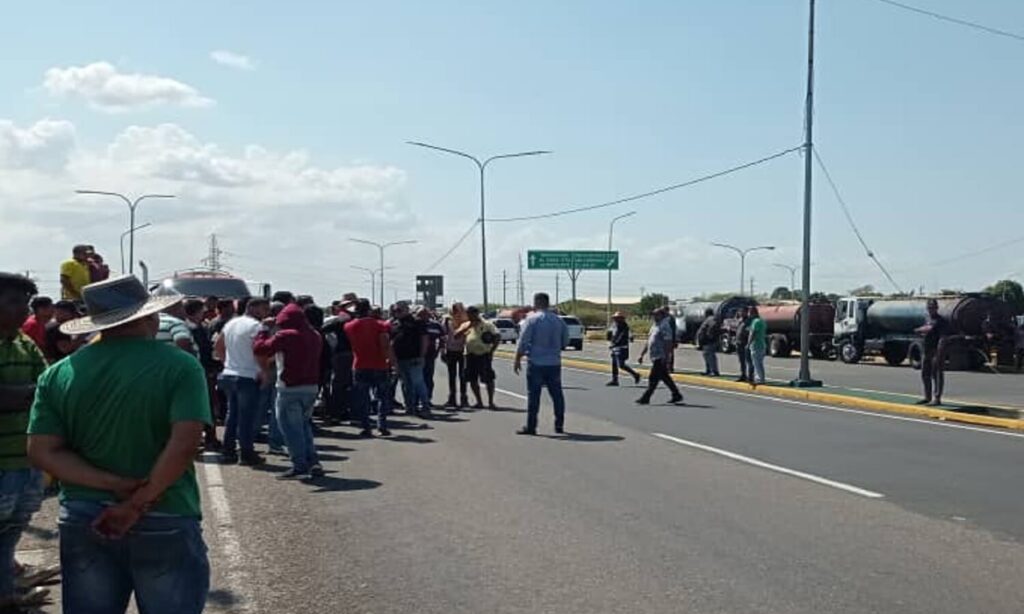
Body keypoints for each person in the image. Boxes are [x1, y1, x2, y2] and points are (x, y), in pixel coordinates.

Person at [27, 275, 211, 614]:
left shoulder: (59, 373)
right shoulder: (180, 366)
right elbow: (184, 444)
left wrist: (113, 485)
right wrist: (137, 501)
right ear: (148, 317)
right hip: (165, 509)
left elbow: (42, 451)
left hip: (84, 513)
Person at [0, 274, 51, 611]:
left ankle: (7, 582)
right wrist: (31, 394)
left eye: (26, 303)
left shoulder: (23, 342)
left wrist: (28, 395)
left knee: (13, 526)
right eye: (14, 302)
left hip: (26, 458)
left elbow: (47, 385)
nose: (23, 310)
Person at [254, 304, 324, 479]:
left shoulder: (286, 335)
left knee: (291, 429)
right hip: (311, 386)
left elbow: (260, 348)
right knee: (303, 425)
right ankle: (313, 460)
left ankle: (299, 466)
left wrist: (263, 329)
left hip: (289, 388)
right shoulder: (315, 335)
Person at [214, 298, 270, 466]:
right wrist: (264, 371)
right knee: (247, 417)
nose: (266, 312)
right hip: (247, 375)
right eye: (264, 308)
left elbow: (218, 345)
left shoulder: (231, 323)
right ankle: (246, 453)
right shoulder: (256, 327)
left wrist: (227, 362)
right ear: (254, 308)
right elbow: (260, 351)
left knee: (233, 414)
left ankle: (228, 450)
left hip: (229, 373)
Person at [514, 293, 570, 435]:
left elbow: (524, 340)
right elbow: (565, 341)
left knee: (534, 395)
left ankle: (531, 426)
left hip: (536, 362)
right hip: (554, 363)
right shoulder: (559, 321)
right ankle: (559, 425)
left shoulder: (532, 319)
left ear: (537, 302)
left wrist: (517, 358)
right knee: (557, 395)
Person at [345, 299, 393, 437]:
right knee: (382, 397)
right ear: (369, 310)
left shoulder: (349, 326)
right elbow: (385, 345)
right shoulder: (380, 325)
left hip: (360, 364)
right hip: (379, 364)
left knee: (362, 398)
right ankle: (382, 425)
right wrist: (391, 361)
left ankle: (366, 427)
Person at [185, 299, 221, 451]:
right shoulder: (192, 329)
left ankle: (206, 438)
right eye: (201, 311)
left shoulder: (197, 327)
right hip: (203, 370)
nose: (204, 313)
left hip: (202, 370)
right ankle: (209, 439)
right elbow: (203, 351)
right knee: (207, 406)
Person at [390, 303, 432, 417]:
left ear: (407, 310)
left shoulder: (417, 322)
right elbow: (391, 342)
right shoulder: (395, 324)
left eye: (400, 310)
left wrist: (422, 356)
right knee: (406, 384)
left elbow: (424, 339)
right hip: (400, 359)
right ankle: (410, 407)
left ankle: (425, 407)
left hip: (414, 358)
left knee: (418, 383)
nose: (397, 313)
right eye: (396, 311)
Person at [637, 309, 684, 405]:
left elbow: (668, 342)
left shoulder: (665, 326)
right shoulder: (654, 326)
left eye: (656, 315)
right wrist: (642, 354)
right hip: (654, 355)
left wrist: (667, 357)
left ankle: (646, 397)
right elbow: (649, 341)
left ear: (662, 315)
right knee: (665, 377)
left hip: (661, 355)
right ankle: (676, 394)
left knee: (653, 377)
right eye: (653, 315)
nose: (654, 317)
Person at [321, 297, 355, 424]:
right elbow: (325, 328)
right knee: (345, 384)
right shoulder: (344, 320)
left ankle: (337, 412)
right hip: (348, 353)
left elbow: (324, 328)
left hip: (345, 353)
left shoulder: (343, 320)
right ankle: (342, 411)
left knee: (341, 384)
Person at [460, 306, 500, 409]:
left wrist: (492, 350)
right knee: (472, 379)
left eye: (472, 313)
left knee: (488, 379)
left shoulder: (487, 325)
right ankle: (479, 402)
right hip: (470, 355)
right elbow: (457, 335)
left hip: (484, 355)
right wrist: (465, 328)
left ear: (477, 313)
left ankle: (491, 402)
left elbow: (497, 336)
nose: (470, 316)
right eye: (468, 314)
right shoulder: (466, 325)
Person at [915, 298, 949, 406]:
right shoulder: (927, 319)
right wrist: (919, 331)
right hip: (926, 349)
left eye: (933, 307)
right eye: (929, 307)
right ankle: (927, 396)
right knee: (925, 373)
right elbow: (925, 330)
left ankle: (937, 398)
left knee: (937, 374)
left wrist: (939, 351)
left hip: (936, 350)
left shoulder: (941, 321)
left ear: (937, 308)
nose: (931, 309)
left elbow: (943, 337)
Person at [442, 302, 469, 409]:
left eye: (458, 310)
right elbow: (443, 337)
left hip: (463, 352)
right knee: (452, 376)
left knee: (463, 376)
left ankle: (463, 398)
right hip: (451, 350)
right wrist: (442, 351)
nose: (456, 312)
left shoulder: (466, 322)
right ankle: (452, 398)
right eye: (454, 310)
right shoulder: (447, 321)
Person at [607, 311, 640, 386]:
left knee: (621, 364)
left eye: (618, 318)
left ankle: (635, 374)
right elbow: (609, 334)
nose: (616, 319)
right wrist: (610, 342)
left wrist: (615, 344)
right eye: (615, 318)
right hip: (614, 347)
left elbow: (622, 336)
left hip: (622, 347)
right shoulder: (613, 325)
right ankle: (615, 380)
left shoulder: (624, 326)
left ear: (621, 319)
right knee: (614, 364)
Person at [420, 309, 445, 406]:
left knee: (428, 378)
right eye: (421, 314)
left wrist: (439, 351)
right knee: (418, 379)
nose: (424, 316)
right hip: (416, 355)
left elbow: (442, 338)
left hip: (430, 355)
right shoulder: (416, 324)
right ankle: (417, 399)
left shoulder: (435, 325)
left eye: (426, 314)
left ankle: (427, 398)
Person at [696, 308, 721, 376]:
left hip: (709, 341)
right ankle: (708, 370)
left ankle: (714, 371)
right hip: (706, 341)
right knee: (706, 356)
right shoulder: (709, 319)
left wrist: (709, 335)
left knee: (710, 356)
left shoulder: (711, 319)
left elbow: (713, 326)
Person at [748, 306, 767, 386]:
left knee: (756, 363)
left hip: (756, 345)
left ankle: (759, 379)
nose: (748, 314)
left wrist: (748, 343)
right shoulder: (762, 321)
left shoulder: (755, 322)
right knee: (759, 363)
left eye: (749, 312)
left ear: (752, 313)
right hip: (762, 344)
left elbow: (753, 333)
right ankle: (761, 378)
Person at [734, 307, 753, 382]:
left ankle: (751, 376)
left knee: (749, 361)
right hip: (739, 343)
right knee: (741, 361)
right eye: (740, 311)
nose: (741, 313)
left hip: (745, 343)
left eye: (742, 311)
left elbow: (749, 332)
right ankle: (743, 375)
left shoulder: (749, 321)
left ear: (746, 312)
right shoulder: (740, 321)